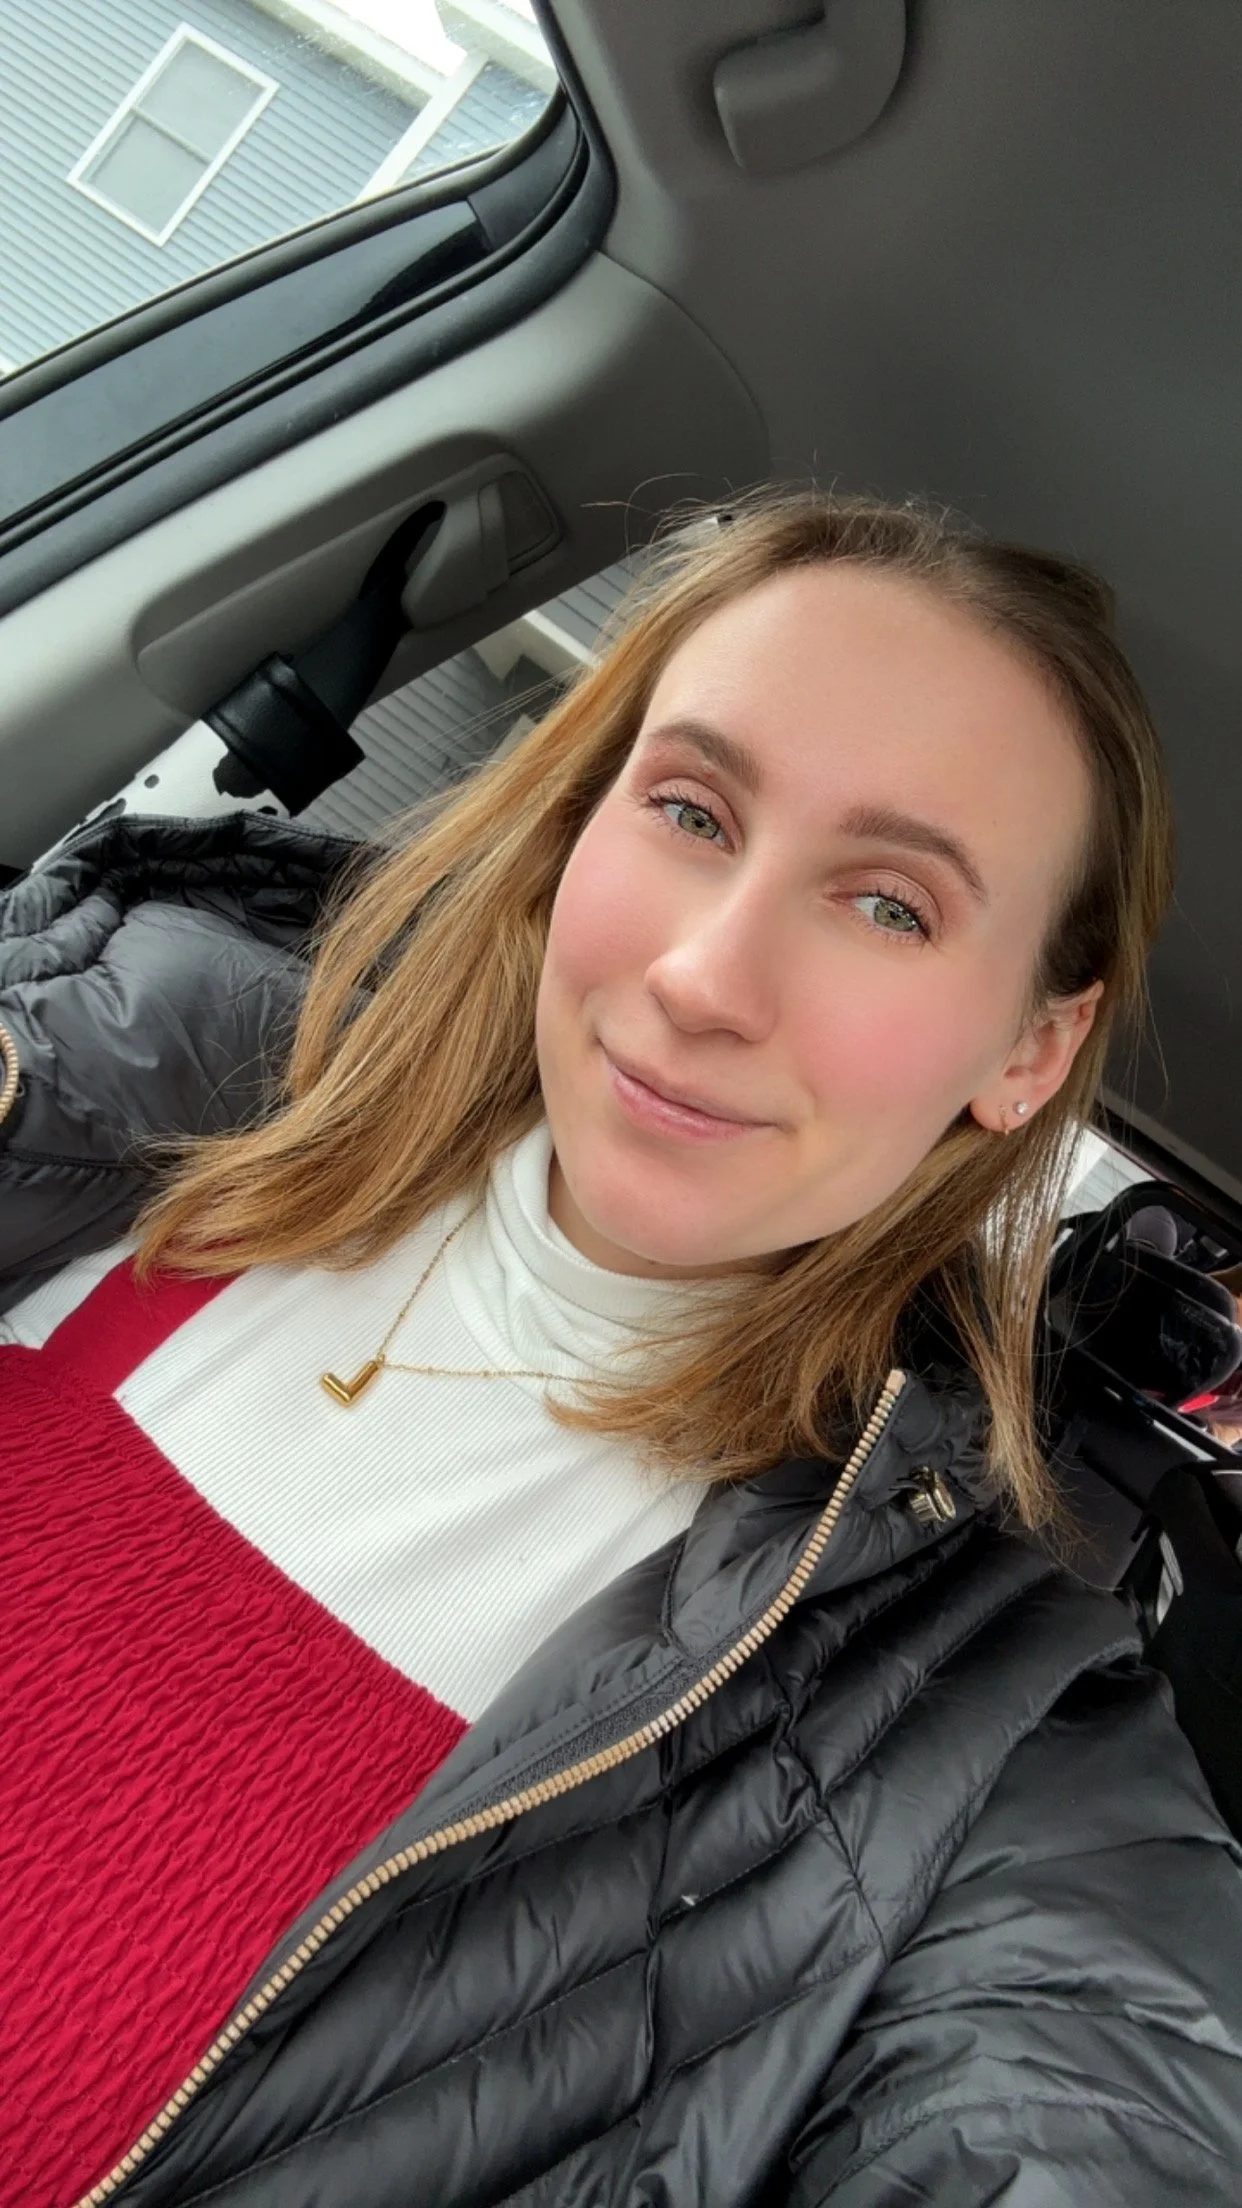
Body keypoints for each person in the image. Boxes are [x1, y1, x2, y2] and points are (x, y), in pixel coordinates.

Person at [2, 491, 1241, 2208]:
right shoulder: (107, 1060)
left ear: (1029, 1050)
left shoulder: (982, 1740)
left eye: (887, 906)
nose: (703, 976)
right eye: (688, 809)